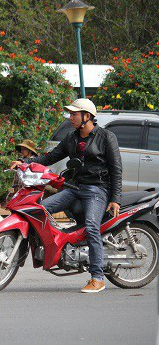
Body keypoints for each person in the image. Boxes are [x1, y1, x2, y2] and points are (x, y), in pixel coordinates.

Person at [10, 98, 122, 293]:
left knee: (92, 228)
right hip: (73, 188)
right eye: (70, 114)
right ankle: (55, 248)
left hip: (97, 190)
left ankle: (97, 278)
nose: (70, 117)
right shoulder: (71, 138)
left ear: (87, 117)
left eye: (74, 114)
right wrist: (24, 162)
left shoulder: (106, 137)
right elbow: (49, 157)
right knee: (38, 209)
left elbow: (116, 169)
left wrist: (115, 199)